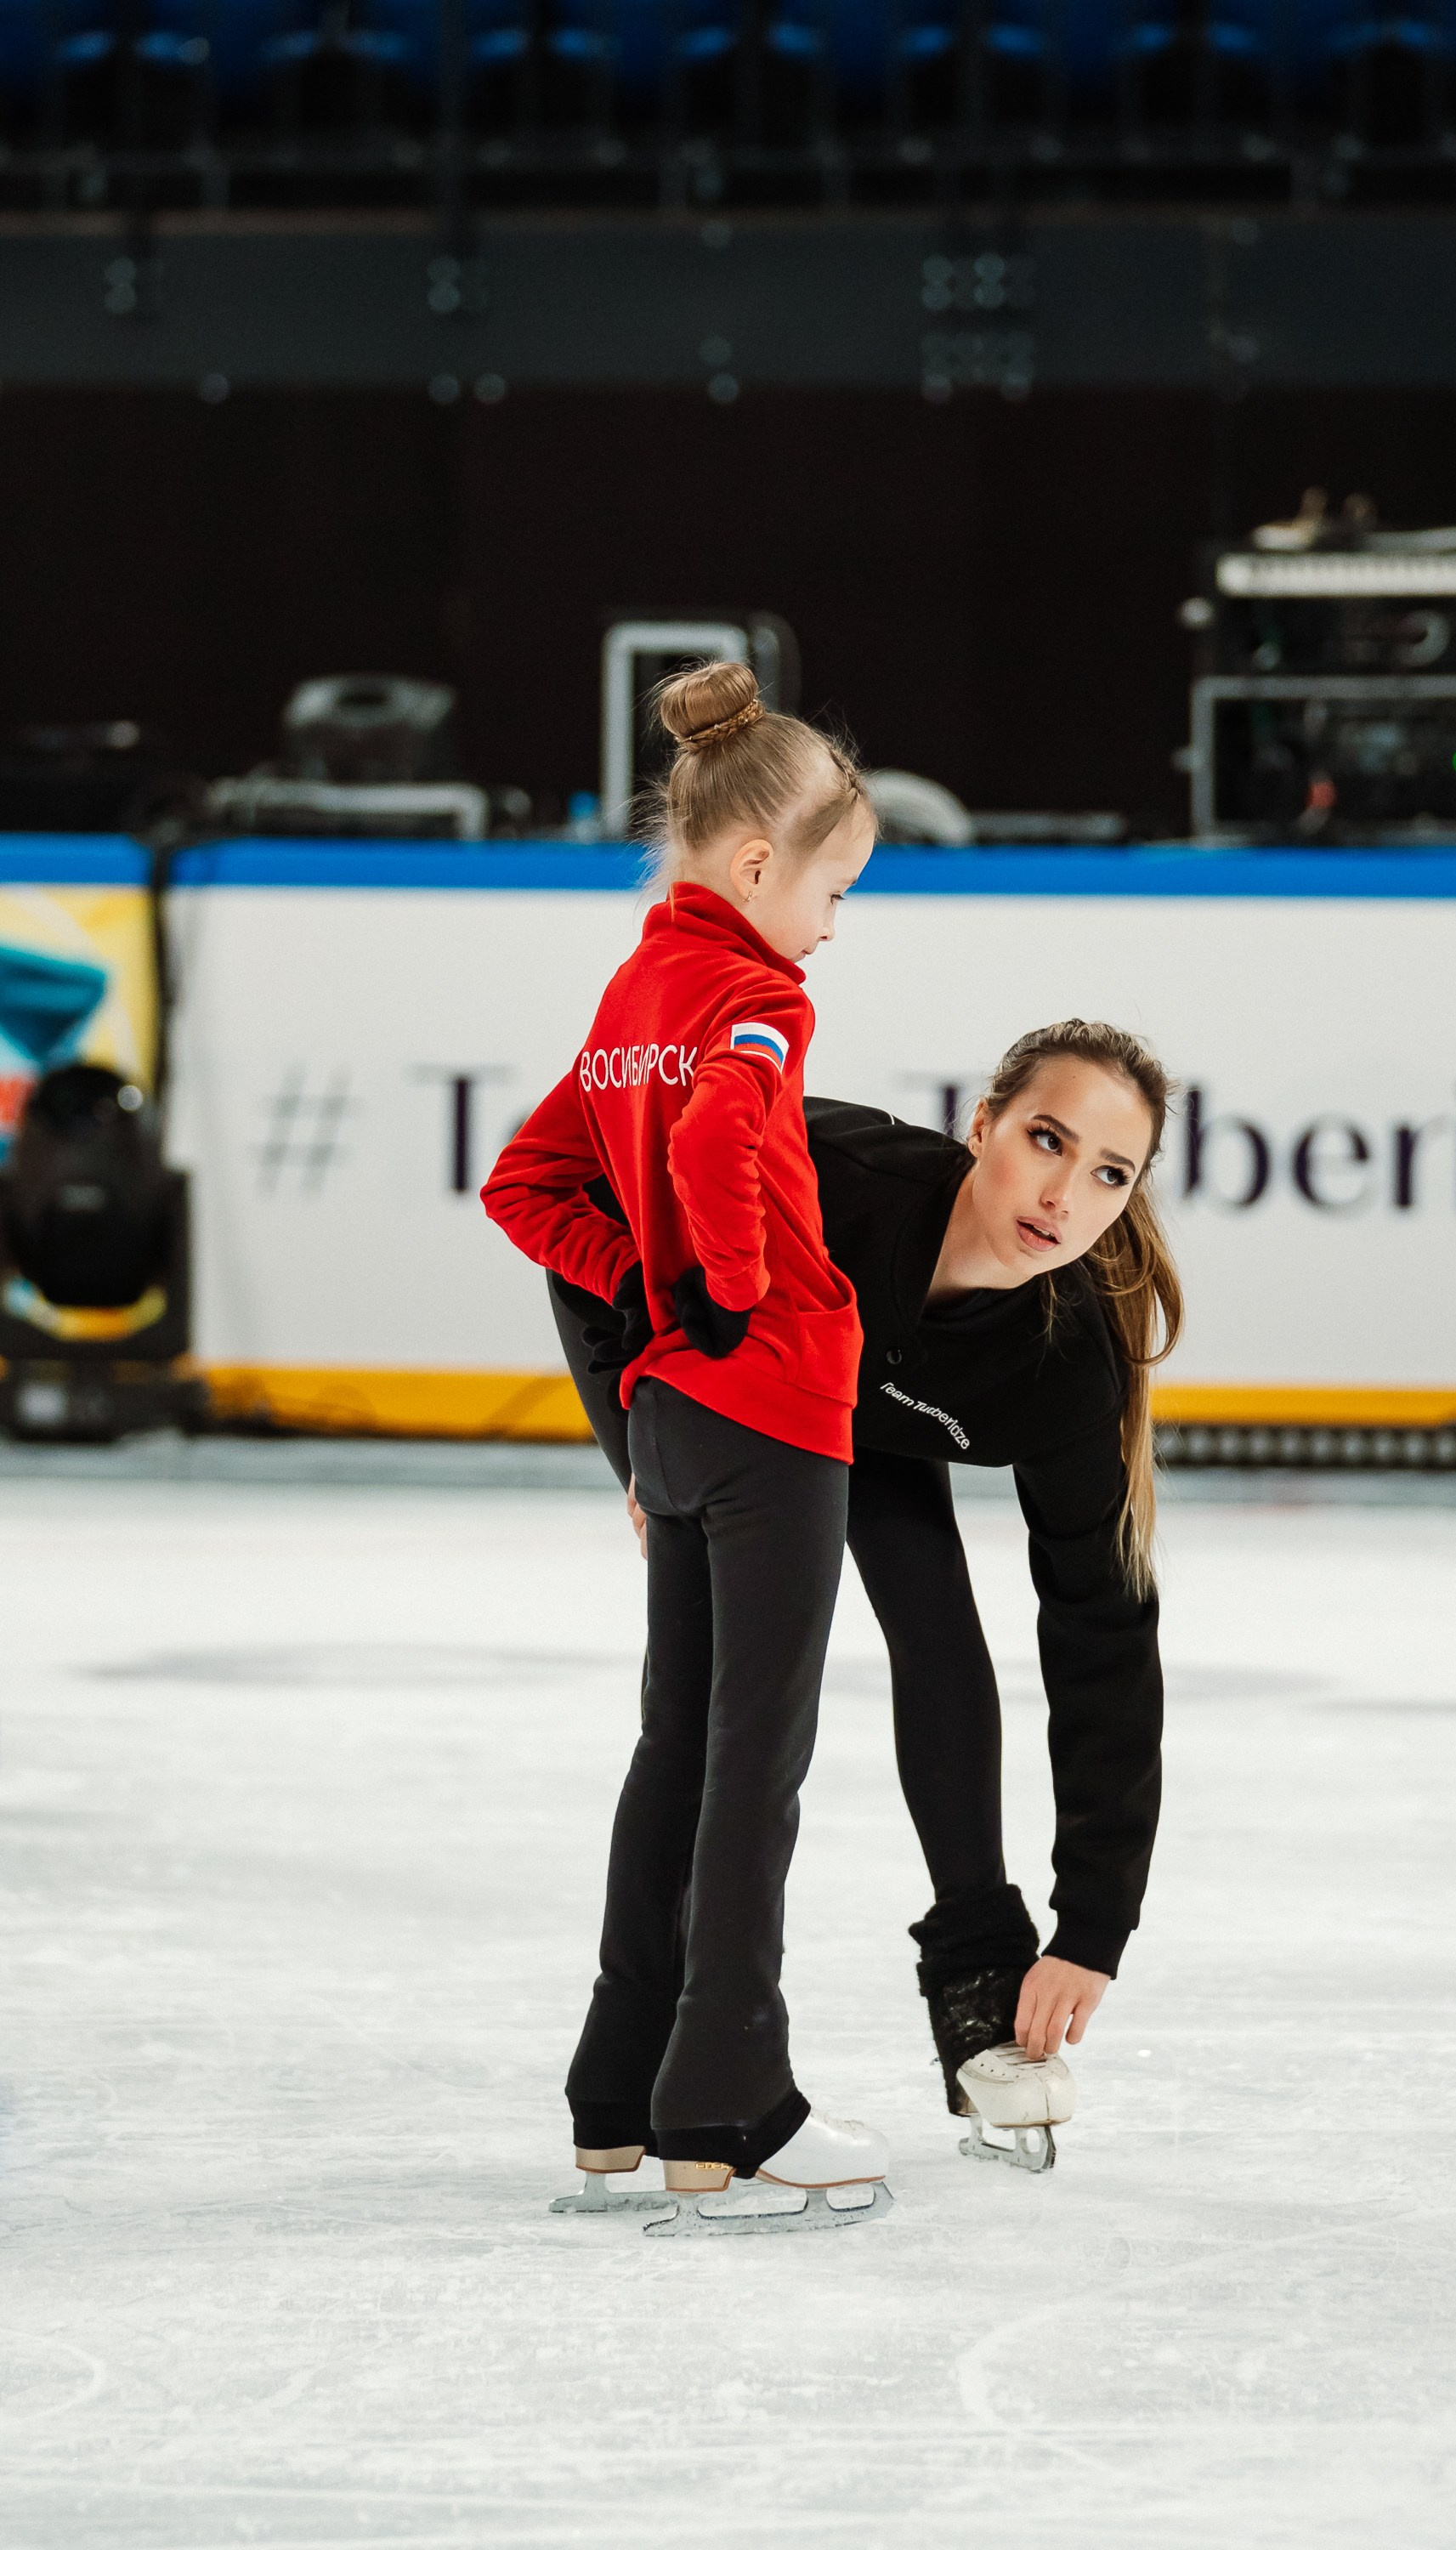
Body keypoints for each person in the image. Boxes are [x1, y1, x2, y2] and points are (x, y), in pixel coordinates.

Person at [553, 1017, 1181, 2168]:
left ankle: (982, 1974)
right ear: (981, 1125)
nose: (1065, 1194)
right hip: (773, 1383)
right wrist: (635, 1438)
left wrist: (1094, 1927)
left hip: (870, 1410)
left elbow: (1104, 1636)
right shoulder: (834, 1176)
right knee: (710, 1717)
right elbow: (596, 1198)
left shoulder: (1064, 1361)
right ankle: (646, 2066)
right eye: (1045, 1139)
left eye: (1109, 1173)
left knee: (937, 1624)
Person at [481, 660, 891, 2236]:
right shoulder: (759, 999)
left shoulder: (629, 1002)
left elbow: (528, 1188)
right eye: (834, 889)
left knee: (679, 1743)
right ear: (753, 867)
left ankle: (618, 2087)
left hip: (675, 1416)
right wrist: (723, 1289)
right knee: (756, 1759)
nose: (833, 925)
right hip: (775, 1403)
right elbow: (726, 1134)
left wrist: (652, 1301)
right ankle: (726, 2101)